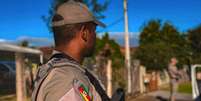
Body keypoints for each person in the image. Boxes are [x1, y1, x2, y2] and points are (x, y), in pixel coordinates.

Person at [31, 0, 110, 101]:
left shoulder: (61, 73)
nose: (96, 36)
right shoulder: (66, 81)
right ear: (84, 33)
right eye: (94, 31)